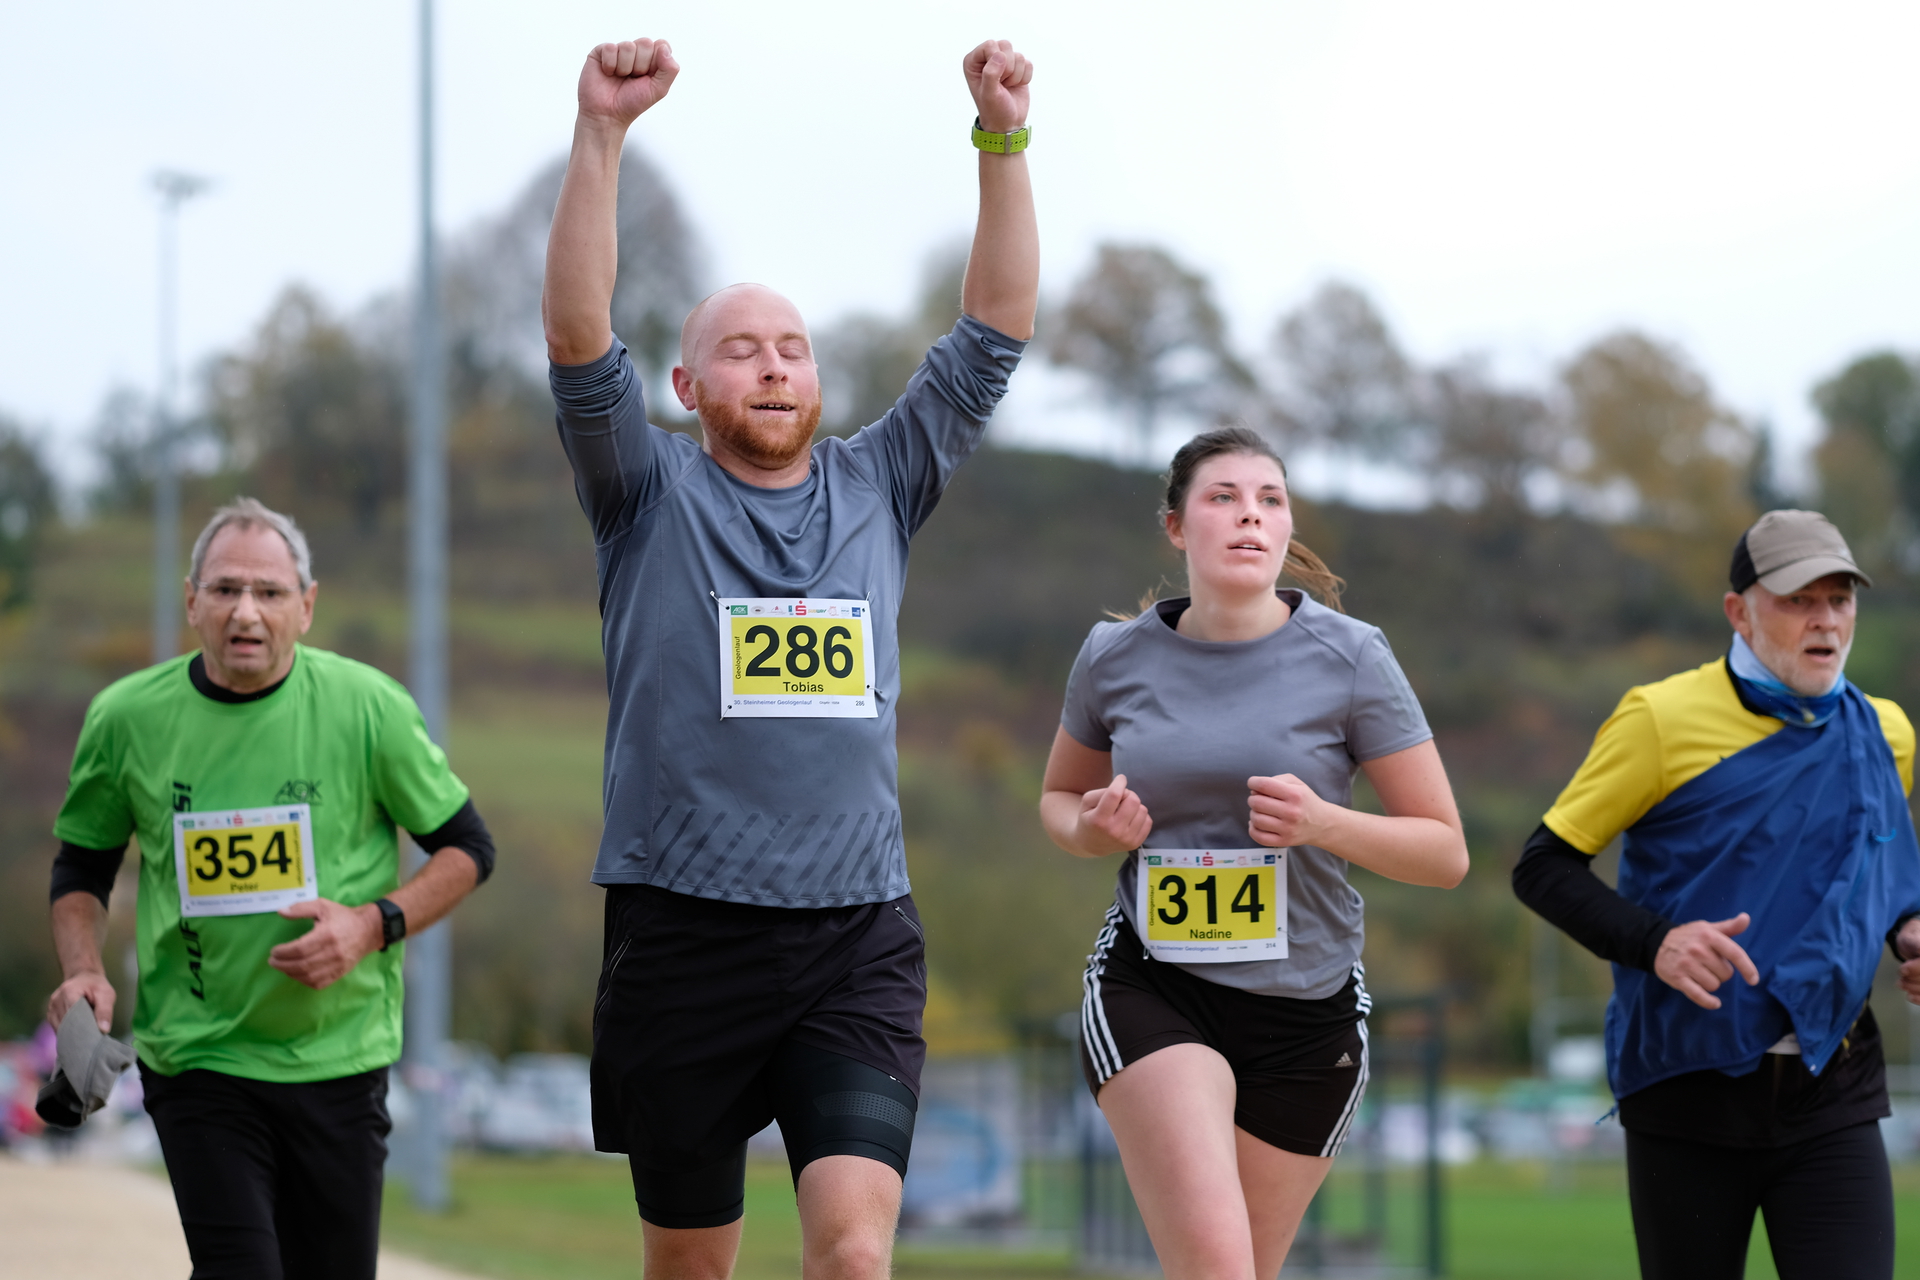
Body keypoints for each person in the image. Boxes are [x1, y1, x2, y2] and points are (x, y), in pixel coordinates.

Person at [539, 33, 1038, 1280]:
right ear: (685, 384)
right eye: (742, 347)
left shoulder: (883, 481)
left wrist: (1003, 139)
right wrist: (601, 133)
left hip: (855, 933)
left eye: (793, 345)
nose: (773, 362)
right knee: (690, 1267)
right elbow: (577, 333)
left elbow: (996, 326)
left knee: (856, 1254)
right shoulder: (644, 490)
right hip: (683, 931)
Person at [1039, 427, 1469, 1279]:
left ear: (1287, 526)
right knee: (1215, 1265)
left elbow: (1445, 852)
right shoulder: (1112, 656)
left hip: (1308, 1012)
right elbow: (1059, 798)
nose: (1250, 515)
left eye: (1270, 499)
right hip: (1156, 984)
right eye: (1223, 497)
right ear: (1176, 526)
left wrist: (1324, 824)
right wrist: (1093, 831)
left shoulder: (1353, 656)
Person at [46, 498, 495, 1280]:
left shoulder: (369, 708)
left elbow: (468, 849)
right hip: (198, 1055)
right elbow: (82, 867)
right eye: (225, 589)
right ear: (192, 601)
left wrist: (371, 925)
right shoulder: (126, 719)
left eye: (269, 592)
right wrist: (83, 968)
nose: (245, 612)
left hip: (339, 1059)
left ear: (306, 607)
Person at [1512, 508, 1920, 1280]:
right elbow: (1543, 868)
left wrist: (1907, 930)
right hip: (1686, 1088)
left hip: (1834, 1086)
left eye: (1839, 600)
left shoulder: (1887, 732)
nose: (1825, 620)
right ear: (1739, 611)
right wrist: (1657, 942)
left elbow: (1873, 877)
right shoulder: (1657, 719)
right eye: (1798, 600)